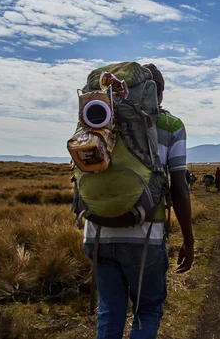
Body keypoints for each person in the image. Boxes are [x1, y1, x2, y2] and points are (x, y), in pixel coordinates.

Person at [83, 63, 194, 339]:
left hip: (97, 234)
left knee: (110, 311)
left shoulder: (101, 118)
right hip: (146, 237)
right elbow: (178, 187)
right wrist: (189, 240)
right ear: (158, 91)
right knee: (147, 309)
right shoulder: (171, 126)